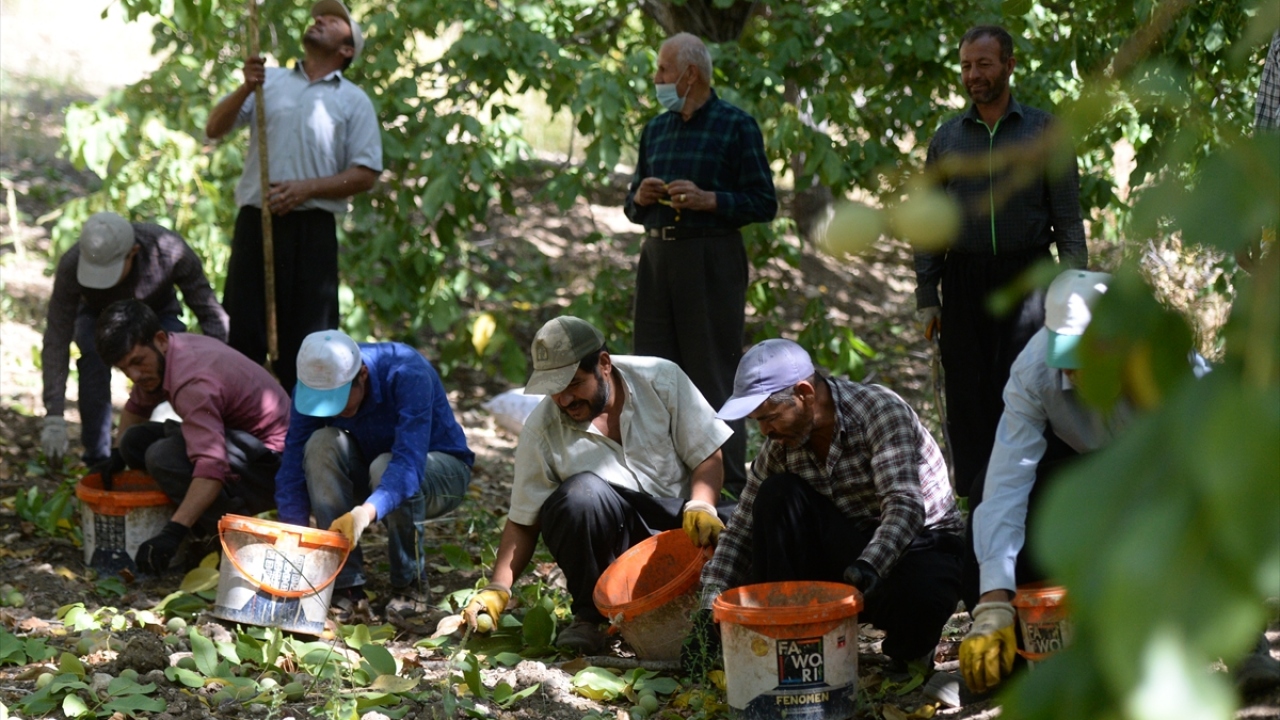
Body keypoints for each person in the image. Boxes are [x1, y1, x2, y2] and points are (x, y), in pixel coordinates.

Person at [462, 316, 733, 655]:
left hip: (684, 530)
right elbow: (523, 520)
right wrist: (498, 588)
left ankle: (721, 610)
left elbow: (706, 453)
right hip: (616, 549)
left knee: (752, 518)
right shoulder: (542, 429)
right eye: (554, 390)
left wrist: (702, 505)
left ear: (604, 364)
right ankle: (592, 618)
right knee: (580, 496)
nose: (565, 400)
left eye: (574, 384)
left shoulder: (661, 379)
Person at [696, 338, 964, 672]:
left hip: (917, 545)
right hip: (851, 552)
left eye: (771, 417)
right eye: (757, 422)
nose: (765, 431)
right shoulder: (781, 447)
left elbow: (905, 506)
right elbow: (740, 532)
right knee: (776, 495)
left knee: (922, 593)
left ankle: (909, 653)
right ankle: (786, 641)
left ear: (804, 394)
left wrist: (869, 565)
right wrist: (709, 607)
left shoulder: (878, 412)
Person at [914, 24, 1088, 498]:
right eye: (966, 66)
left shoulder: (1044, 132)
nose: (973, 75)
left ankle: (1041, 503)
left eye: (984, 64)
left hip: (1029, 279)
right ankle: (978, 505)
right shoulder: (948, 139)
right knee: (969, 399)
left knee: (1034, 388)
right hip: (963, 282)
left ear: (1009, 66)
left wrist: (1076, 299)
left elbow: (1068, 222)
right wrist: (927, 294)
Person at [623, 32, 778, 498]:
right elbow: (631, 207)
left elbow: (764, 202)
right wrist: (639, 197)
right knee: (650, 372)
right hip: (657, 258)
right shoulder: (655, 129)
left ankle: (726, 489)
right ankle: (660, 485)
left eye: (663, 70)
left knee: (711, 372)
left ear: (690, 75)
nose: (656, 79)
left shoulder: (736, 126)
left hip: (711, 259)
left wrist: (710, 200)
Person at [205, 0, 382, 393]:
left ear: (347, 49)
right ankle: (243, 420)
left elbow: (366, 174)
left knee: (310, 339)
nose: (319, 19)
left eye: (332, 20)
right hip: (257, 222)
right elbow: (214, 128)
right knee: (243, 329)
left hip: (312, 230)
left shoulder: (353, 100)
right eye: (319, 15)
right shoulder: (268, 81)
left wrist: (306, 188)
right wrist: (246, 86)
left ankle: (304, 423)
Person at [959, 270, 1114, 694]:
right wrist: (993, 600)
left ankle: (1246, 650)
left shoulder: (1158, 352)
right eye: (1067, 358)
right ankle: (1010, 653)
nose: (1074, 373)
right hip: (1090, 469)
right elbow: (1007, 482)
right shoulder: (1033, 369)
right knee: (984, 489)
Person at [273, 330, 474, 621]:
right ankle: (345, 584)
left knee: (385, 465)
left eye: (339, 399)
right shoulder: (314, 382)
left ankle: (410, 586)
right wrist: (293, 538)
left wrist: (362, 515)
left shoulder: (407, 372)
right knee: (320, 444)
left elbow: (407, 465)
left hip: (440, 475)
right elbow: (292, 466)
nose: (333, 409)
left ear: (363, 375)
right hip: (371, 473)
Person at [94, 299, 290, 575]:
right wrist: (116, 453)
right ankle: (198, 525)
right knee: (133, 442)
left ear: (160, 339)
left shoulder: (192, 382)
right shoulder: (171, 352)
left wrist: (172, 532)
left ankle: (232, 538)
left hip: (276, 469)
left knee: (162, 456)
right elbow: (137, 406)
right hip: (240, 443)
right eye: (125, 369)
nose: (134, 375)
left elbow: (211, 467)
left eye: (137, 362)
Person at [40, 212, 228, 469]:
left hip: (158, 315)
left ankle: (170, 451)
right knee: (93, 360)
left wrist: (213, 379)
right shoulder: (72, 263)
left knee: (171, 361)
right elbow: (57, 336)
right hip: (97, 317)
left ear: (134, 252)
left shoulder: (167, 249)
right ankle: (99, 460)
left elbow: (212, 315)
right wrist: (54, 414)